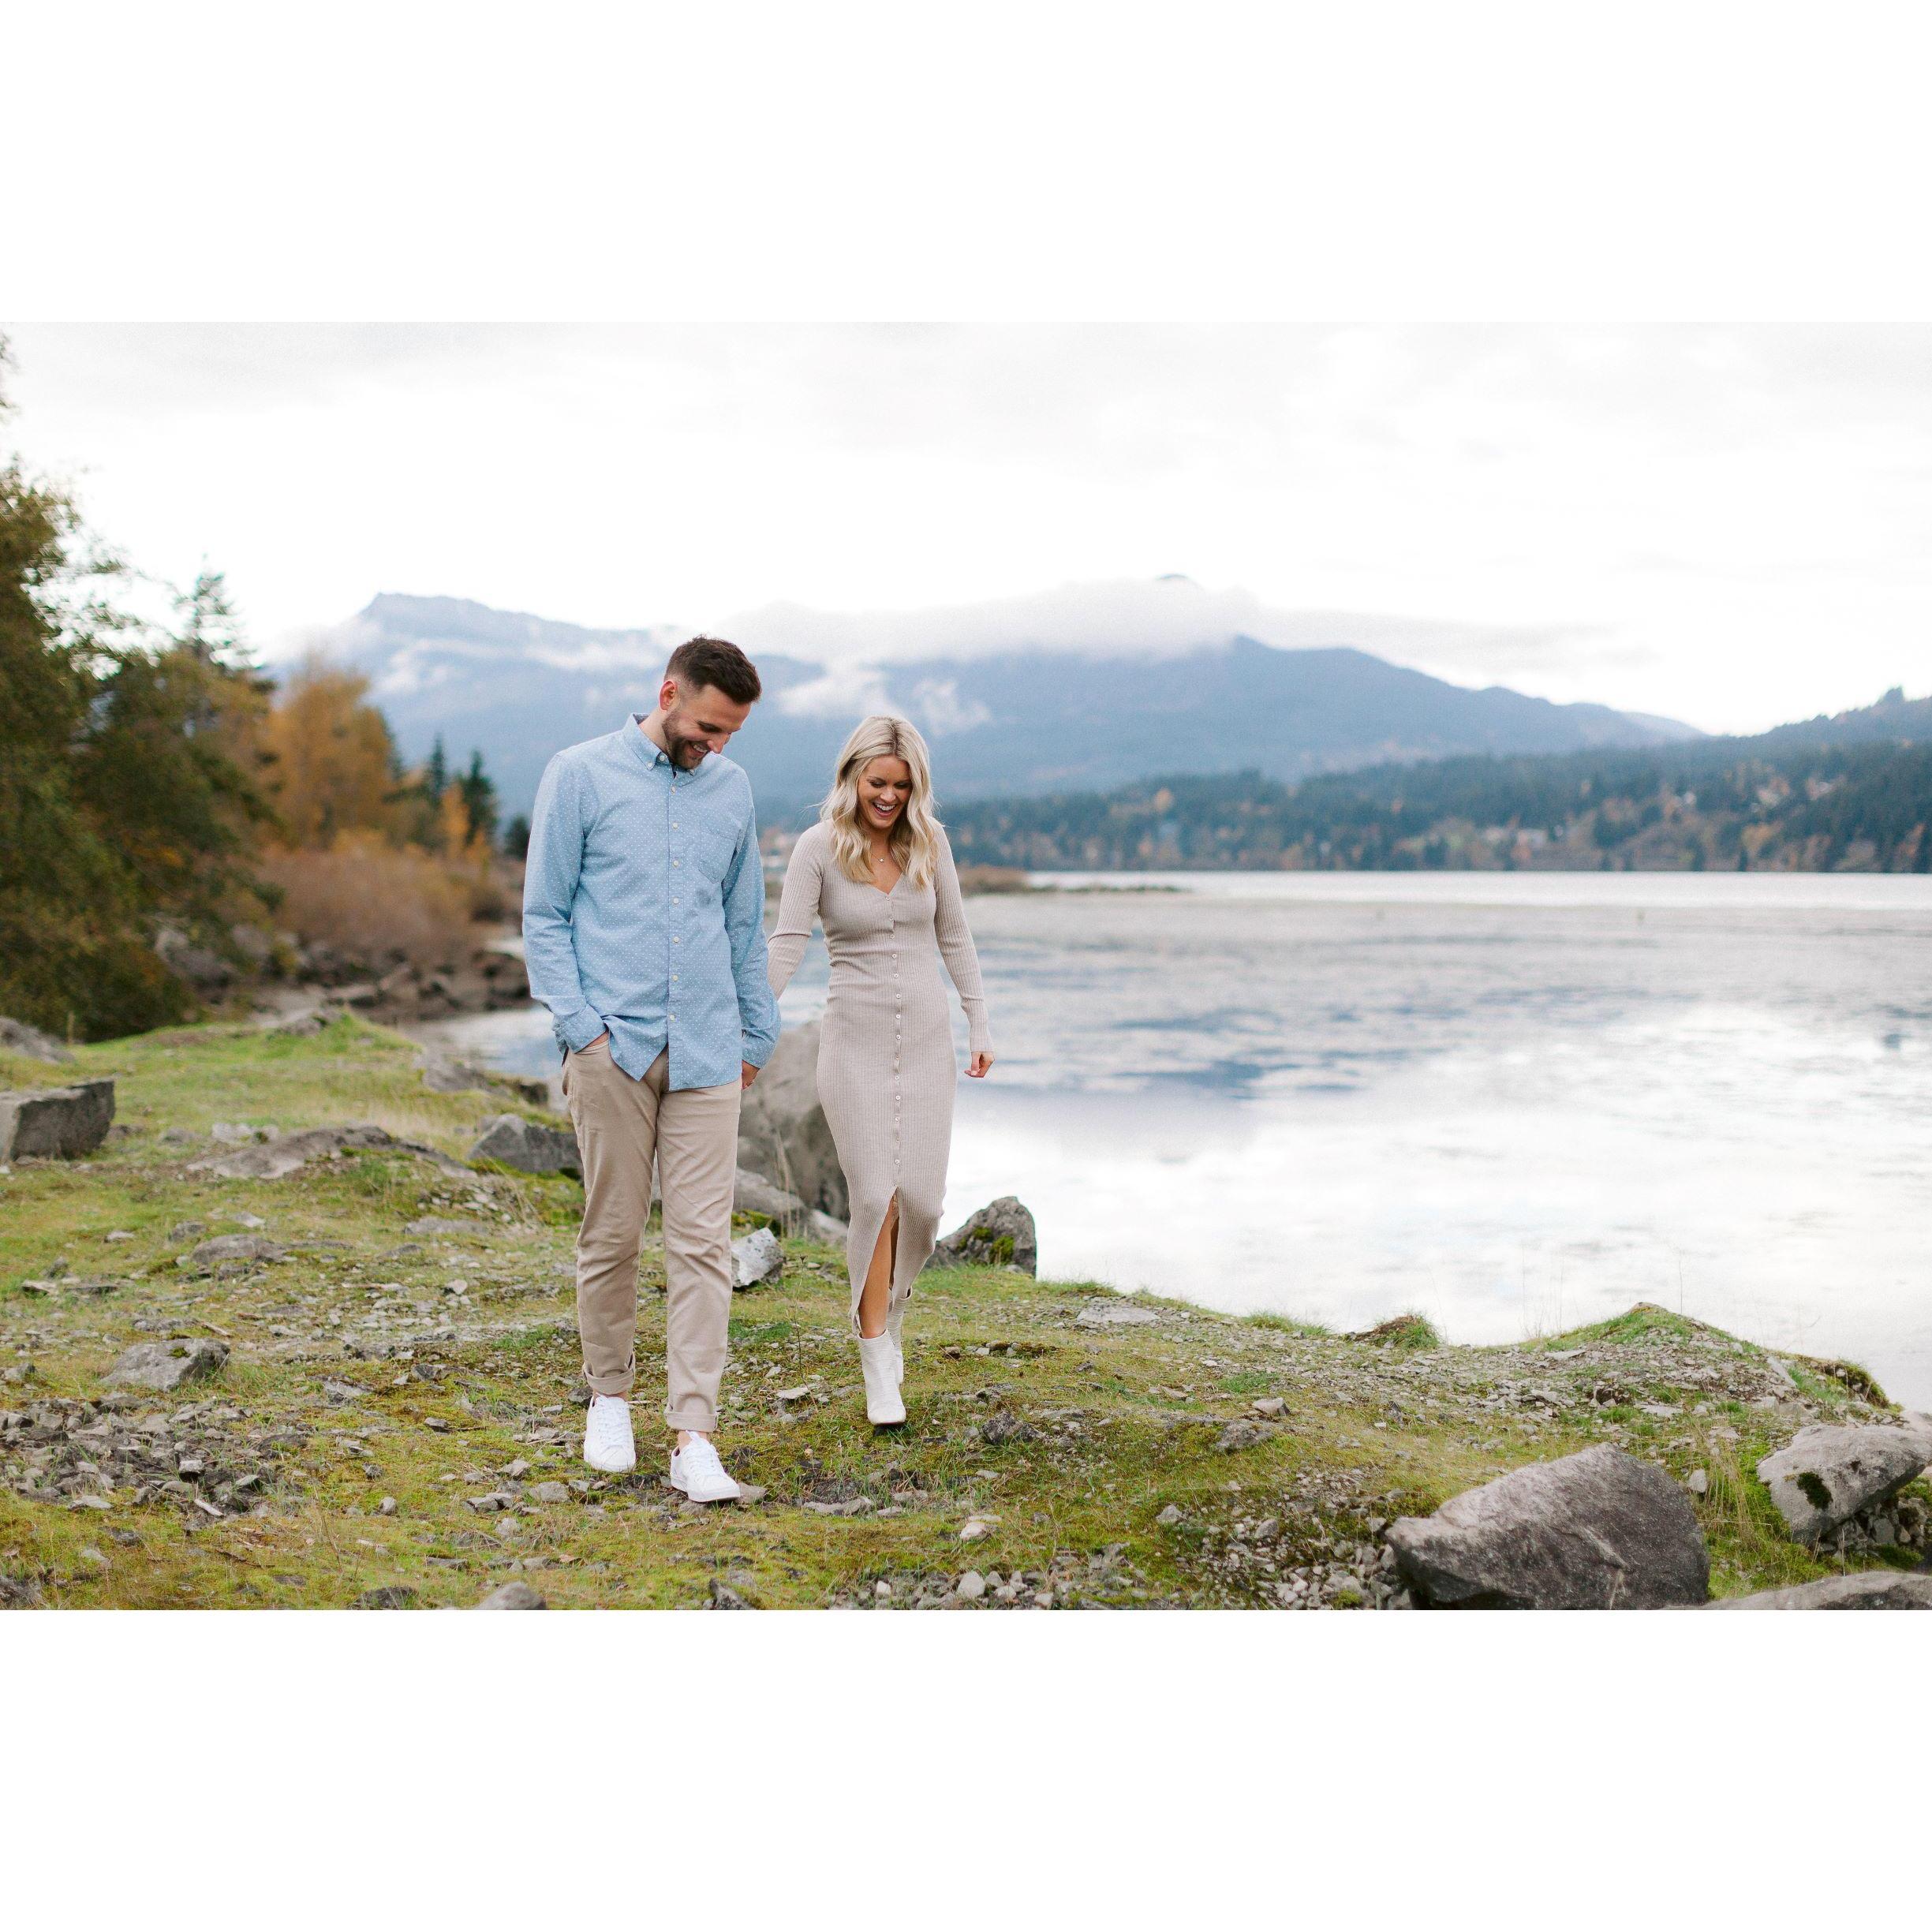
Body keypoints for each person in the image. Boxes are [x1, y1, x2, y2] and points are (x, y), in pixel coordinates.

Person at [521, 636, 779, 1500]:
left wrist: (755, 1037)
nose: (716, 745)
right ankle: (608, 1397)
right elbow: (544, 915)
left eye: (730, 733)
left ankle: (693, 1436)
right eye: (707, 727)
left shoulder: (732, 790)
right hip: (612, 1050)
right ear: (669, 693)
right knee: (614, 1232)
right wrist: (580, 1030)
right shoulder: (578, 774)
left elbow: (743, 922)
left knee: (703, 1245)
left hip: (709, 1048)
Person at [766, 715, 994, 1424]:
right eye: (876, 783)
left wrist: (979, 1021)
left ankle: (891, 1315)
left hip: (927, 1043)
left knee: (921, 1203)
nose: (888, 797)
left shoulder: (930, 842)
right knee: (874, 1196)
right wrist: (748, 1023)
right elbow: (787, 942)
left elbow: (955, 935)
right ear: (851, 778)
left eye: (901, 785)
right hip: (851, 1044)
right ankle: (874, 1360)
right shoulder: (817, 848)